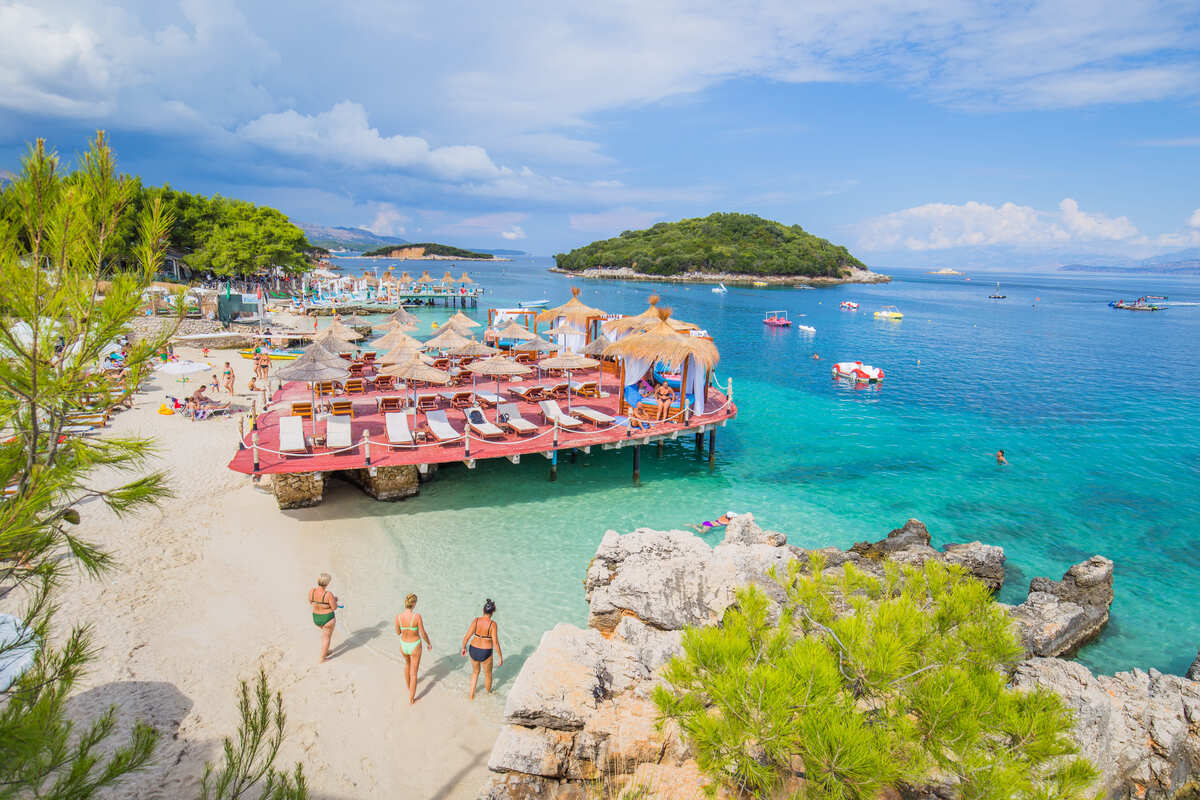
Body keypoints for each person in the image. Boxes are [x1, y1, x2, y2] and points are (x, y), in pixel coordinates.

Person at [460, 599, 503, 699]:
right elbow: (495, 642)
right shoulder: (493, 624)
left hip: (473, 649)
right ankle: (488, 695)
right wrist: (500, 657)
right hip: (485, 652)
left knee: (475, 673)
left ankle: (471, 696)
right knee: (488, 675)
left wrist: (463, 647)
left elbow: (466, 636)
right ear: (493, 612)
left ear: (483, 610)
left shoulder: (476, 621)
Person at [396, 594, 432, 704]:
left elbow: (398, 632)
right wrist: (429, 643)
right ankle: (411, 699)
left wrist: (405, 628)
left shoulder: (399, 617)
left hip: (403, 645)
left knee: (407, 665)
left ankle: (409, 687)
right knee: (414, 673)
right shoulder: (417, 617)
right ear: (414, 603)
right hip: (414, 645)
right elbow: (423, 633)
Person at [308, 573, 338, 663]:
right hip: (327, 618)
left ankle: (326, 651)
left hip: (316, 618)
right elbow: (334, 608)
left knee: (325, 635)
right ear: (327, 583)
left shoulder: (311, 591)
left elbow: (311, 602)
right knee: (327, 638)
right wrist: (335, 600)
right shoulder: (328, 594)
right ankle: (322, 658)